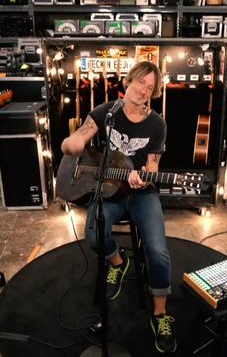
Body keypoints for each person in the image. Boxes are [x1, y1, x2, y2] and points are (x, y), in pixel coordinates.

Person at [61, 61, 176, 353]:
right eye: (140, 82)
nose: (144, 90)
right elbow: (80, 138)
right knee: (93, 235)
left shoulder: (157, 124)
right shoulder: (105, 113)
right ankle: (118, 261)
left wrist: (144, 179)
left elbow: (152, 166)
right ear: (128, 81)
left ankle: (160, 313)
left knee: (158, 251)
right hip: (108, 189)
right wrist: (71, 144)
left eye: (150, 87)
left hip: (140, 193)